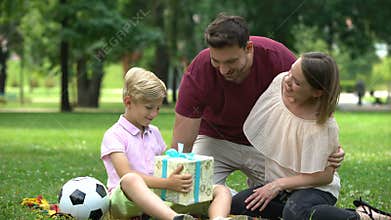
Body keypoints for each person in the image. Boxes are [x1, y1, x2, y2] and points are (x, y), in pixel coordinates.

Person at [171, 14, 345, 188]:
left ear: (248, 48)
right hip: (215, 140)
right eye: (216, 61)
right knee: (196, 190)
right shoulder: (199, 70)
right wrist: (175, 175)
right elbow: (181, 142)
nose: (223, 70)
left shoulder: (279, 59)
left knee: (287, 194)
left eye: (231, 61)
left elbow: (317, 104)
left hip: (266, 144)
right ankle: (227, 201)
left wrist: (329, 147)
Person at [230, 52, 391, 220]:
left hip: (315, 188)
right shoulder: (279, 83)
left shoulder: (324, 125)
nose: (288, 81)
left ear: (317, 92)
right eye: (290, 72)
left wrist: (278, 185)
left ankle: (361, 216)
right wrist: (275, 185)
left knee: (295, 212)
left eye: (297, 82)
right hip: (283, 190)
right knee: (238, 204)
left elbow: (324, 177)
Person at [100, 67, 232, 220]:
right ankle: (174, 218)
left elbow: (161, 169)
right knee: (131, 179)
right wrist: (167, 183)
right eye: (149, 108)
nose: (154, 114)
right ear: (128, 101)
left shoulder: (154, 132)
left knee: (220, 190)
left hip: (159, 195)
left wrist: (180, 175)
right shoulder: (114, 135)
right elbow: (125, 174)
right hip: (127, 200)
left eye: (158, 108)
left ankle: (218, 218)